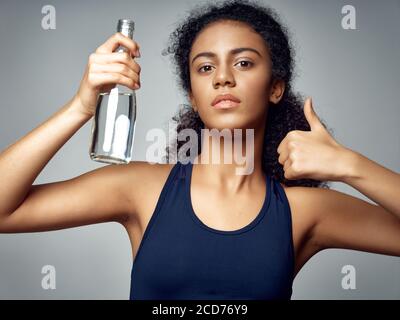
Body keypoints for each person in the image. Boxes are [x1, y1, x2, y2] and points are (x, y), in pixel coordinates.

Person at [0, 0, 399, 300]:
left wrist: (350, 165)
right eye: (205, 68)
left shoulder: (301, 213)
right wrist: (81, 107)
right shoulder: (142, 189)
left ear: (275, 87)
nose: (223, 78)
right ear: (193, 96)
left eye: (243, 63)